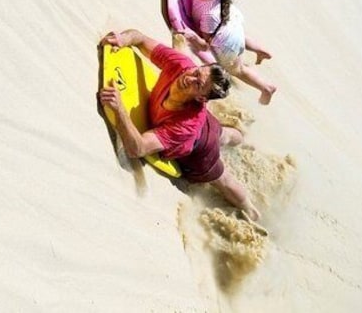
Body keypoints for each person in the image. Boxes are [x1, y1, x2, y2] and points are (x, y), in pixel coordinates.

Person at [99, 29, 261, 220]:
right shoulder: (182, 65)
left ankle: (251, 210)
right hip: (206, 123)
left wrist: (120, 110)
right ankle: (240, 137)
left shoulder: (185, 126)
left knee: (222, 178)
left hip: (199, 150)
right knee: (222, 133)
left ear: (201, 97)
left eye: (197, 83)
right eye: (197, 72)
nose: (188, 78)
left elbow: (138, 148)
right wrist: (123, 38)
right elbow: (140, 38)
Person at [173, 0, 277, 105]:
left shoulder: (210, 14)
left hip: (228, 44)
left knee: (239, 69)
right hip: (230, 26)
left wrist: (194, 38)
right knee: (236, 36)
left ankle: (266, 88)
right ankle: (260, 50)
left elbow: (205, 45)